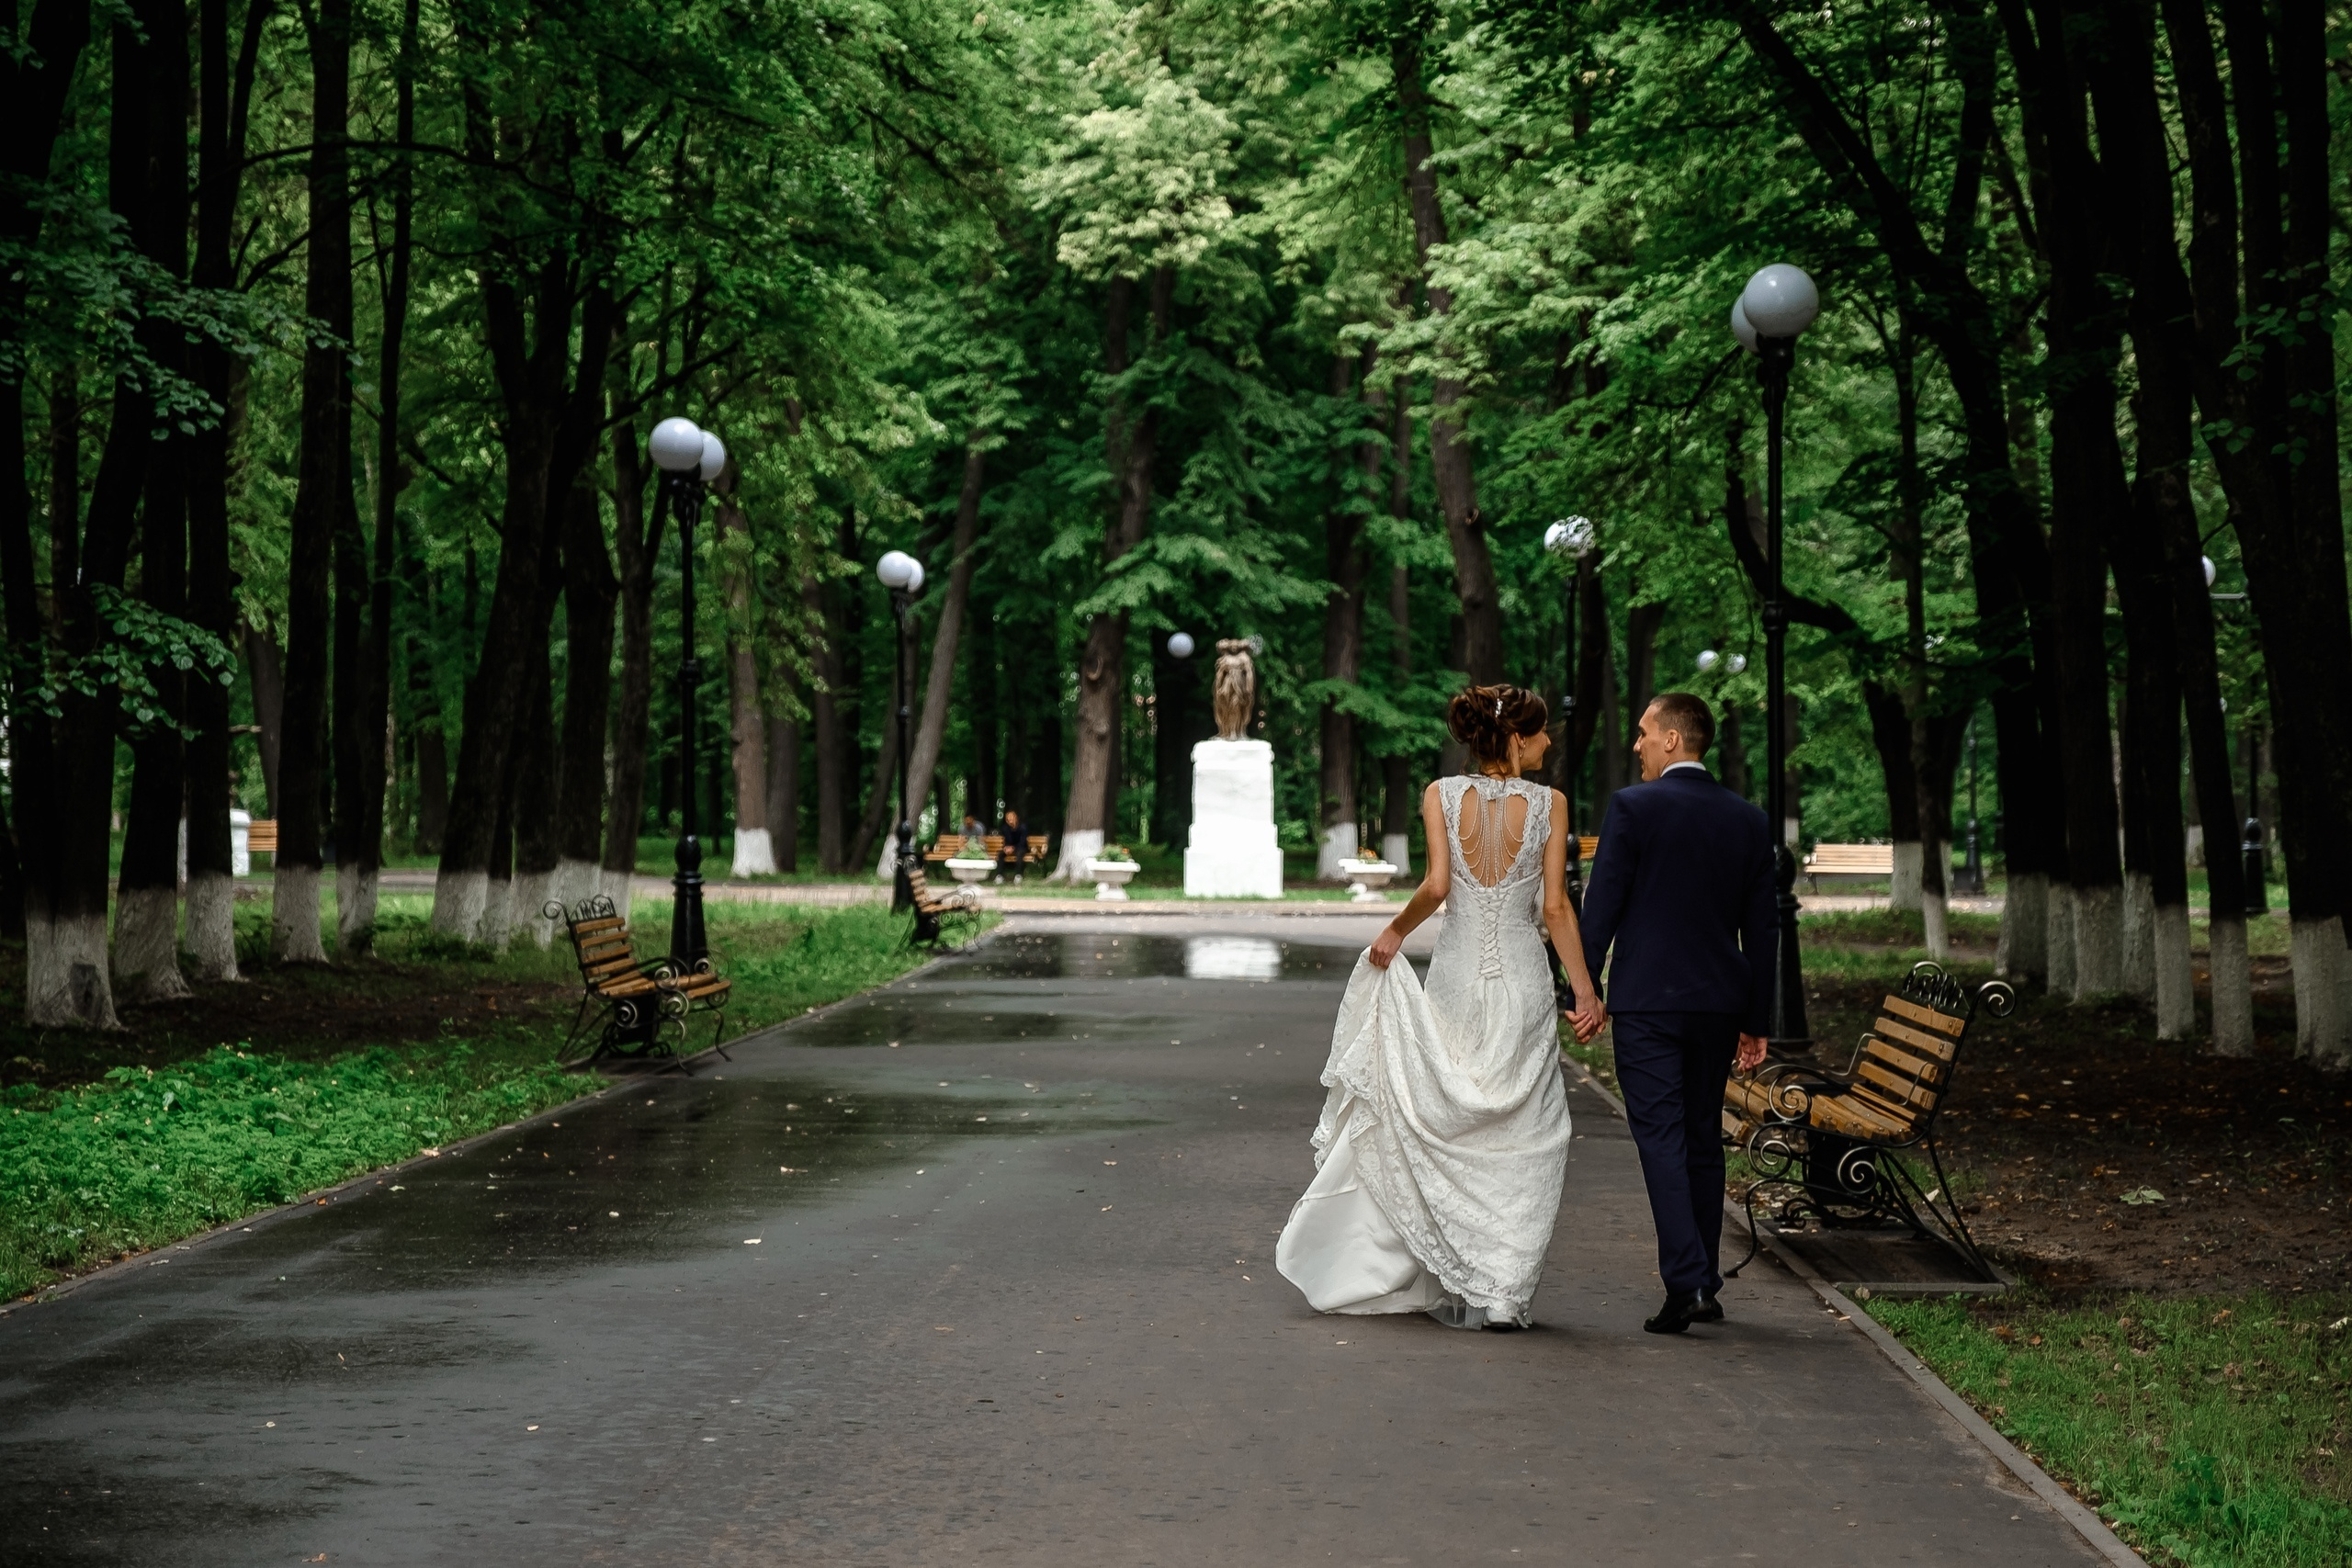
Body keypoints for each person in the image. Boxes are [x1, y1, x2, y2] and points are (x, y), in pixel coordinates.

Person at [1276, 684, 1605, 1332]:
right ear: (1516, 738)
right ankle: (1504, 1289)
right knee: (1529, 1127)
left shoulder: (1439, 794)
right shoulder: (1550, 804)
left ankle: (1463, 1263)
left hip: (1455, 973)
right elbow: (1556, 907)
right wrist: (1586, 989)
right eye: (1541, 734)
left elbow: (1436, 886)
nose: (1547, 744)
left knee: (1450, 1113)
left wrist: (1396, 930)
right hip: (1520, 973)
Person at [1577, 692, 1774, 1336]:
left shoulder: (1634, 807)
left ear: (1672, 739)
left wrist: (1584, 986)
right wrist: (1757, 1017)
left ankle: (1686, 1281)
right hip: (1719, 1002)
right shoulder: (1747, 818)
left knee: (1660, 1137)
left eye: (1643, 732)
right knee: (1698, 1138)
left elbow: (1602, 905)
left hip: (1648, 1003)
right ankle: (1705, 1282)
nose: (1635, 744)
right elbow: (1763, 927)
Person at [994, 807, 1025, 884]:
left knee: (1019, 854)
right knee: (1000, 854)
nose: (1010, 821)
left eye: (1011, 818)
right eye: (1008, 819)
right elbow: (1006, 840)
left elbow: (1023, 842)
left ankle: (1018, 875)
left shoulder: (1022, 827)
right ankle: (999, 876)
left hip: (1021, 847)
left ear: (1016, 818)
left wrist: (1013, 848)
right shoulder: (1005, 828)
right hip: (1009, 847)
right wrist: (1006, 848)